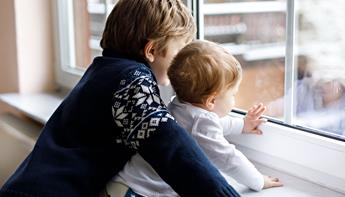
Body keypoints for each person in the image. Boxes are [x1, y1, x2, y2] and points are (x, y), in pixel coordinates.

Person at [0, 1, 240, 197]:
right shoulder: (131, 79)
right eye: (180, 51)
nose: (182, 62)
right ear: (152, 50)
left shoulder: (103, 69)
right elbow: (168, 142)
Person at [105, 40, 283, 196]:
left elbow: (211, 124)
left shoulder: (178, 105)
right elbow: (229, 159)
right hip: (139, 193)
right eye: (233, 94)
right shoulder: (200, 122)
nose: (234, 99)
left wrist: (242, 124)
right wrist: (259, 181)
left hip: (121, 182)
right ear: (211, 100)